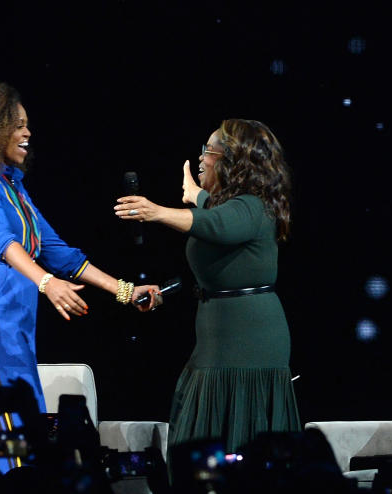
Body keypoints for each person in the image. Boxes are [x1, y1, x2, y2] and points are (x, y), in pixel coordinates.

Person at [0, 83, 155, 434]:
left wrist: (125, 291)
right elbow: (1, 242)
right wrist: (46, 282)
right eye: (18, 125)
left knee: (29, 421)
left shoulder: (13, 187)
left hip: (15, 313)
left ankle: (16, 485)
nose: (27, 132)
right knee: (4, 421)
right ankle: (0, 486)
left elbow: (58, 253)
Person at [114, 118, 300, 454]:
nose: (201, 158)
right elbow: (216, 262)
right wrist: (164, 294)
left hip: (248, 344)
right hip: (216, 340)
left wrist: (156, 211)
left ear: (233, 162)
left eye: (209, 151)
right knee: (196, 434)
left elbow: (218, 224)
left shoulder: (254, 206)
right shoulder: (231, 206)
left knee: (237, 445)